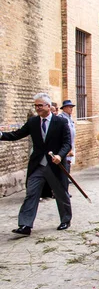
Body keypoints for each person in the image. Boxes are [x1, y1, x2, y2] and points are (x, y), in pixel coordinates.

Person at [0, 93, 73, 235]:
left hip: (55, 164)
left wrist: (60, 155)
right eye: (36, 106)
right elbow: (17, 134)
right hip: (38, 165)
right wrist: (1, 135)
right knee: (31, 193)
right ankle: (25, 225)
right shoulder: (33, 122)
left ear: (48, 106)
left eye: (40, 105)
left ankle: (65, 220)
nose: (37, 108)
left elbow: (67, 143)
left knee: (60, 193)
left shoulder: (61, 122)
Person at [57, 100, 76, 174]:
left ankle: (67, 176)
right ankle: (64, 177)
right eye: (69, 107)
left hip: (71, 142)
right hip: (65, 143)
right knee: (65, 160)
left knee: (69, 160)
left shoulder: (70, 118)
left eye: (72, 107)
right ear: (64, 108)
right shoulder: (61, 117)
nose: (71, 109)